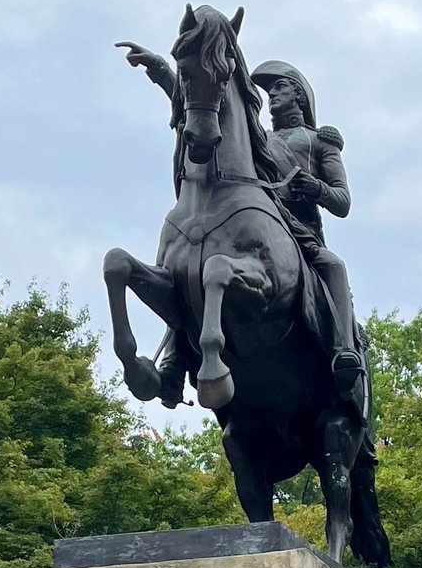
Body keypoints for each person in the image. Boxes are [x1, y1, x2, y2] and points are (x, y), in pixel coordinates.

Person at [116, 43, 366, 417]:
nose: (273, 96)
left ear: (298, 94)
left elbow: (342, 201)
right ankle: (175, 361)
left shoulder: (318, 141)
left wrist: (315, 189)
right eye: (269, 91)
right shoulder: (255, 137)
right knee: (187, 264)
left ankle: (343, 352)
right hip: (251, 225)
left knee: (333, 266)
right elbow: (202, 104)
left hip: (296, 234)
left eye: (280, 88)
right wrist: (162, 71)